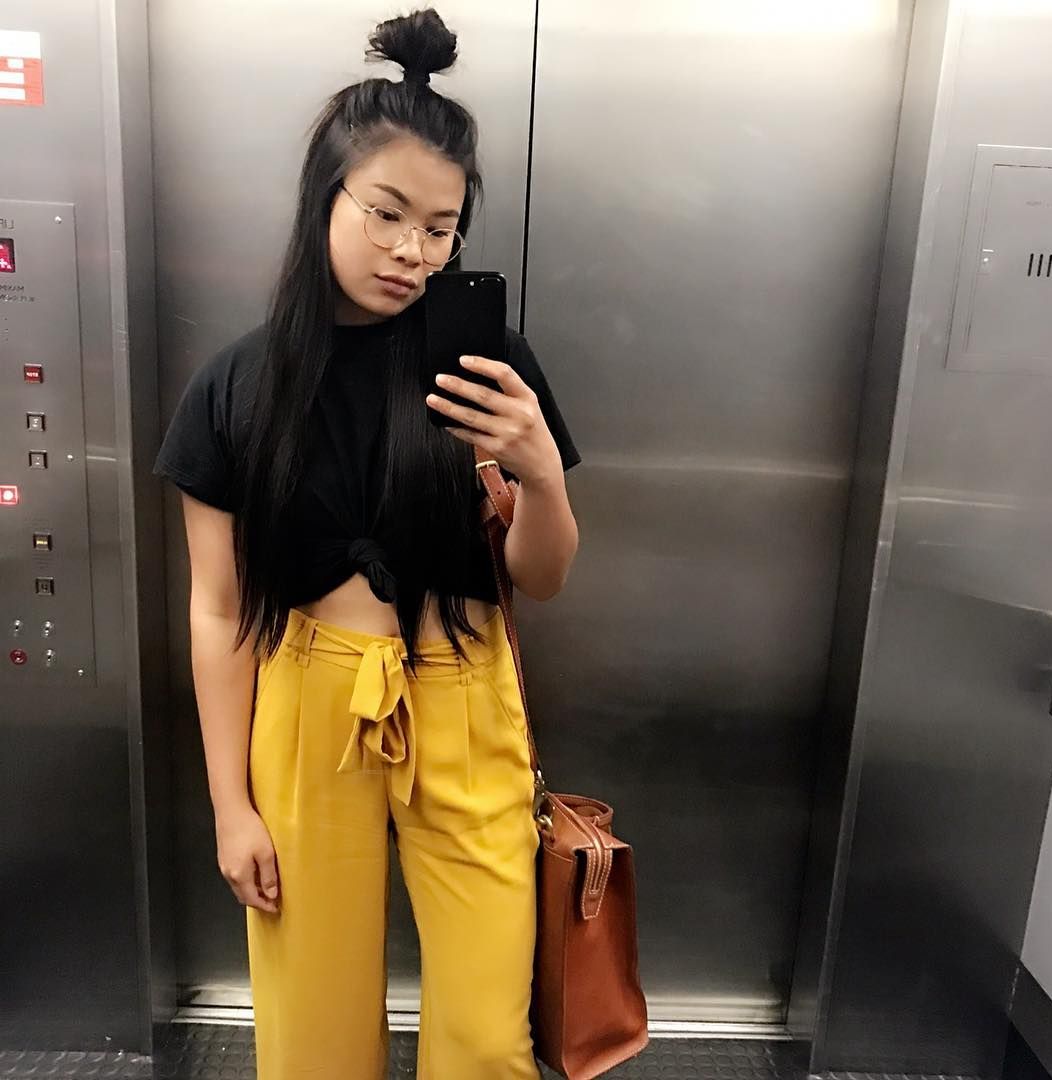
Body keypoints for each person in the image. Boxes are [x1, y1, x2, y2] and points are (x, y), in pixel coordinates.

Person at [151, 9, 581, 1078]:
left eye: (441, 229)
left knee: (486, 1038)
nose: (410, 252)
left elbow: (542, 576)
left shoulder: (487, 366)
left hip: (463, 691)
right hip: (306, 701)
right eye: (385, 214)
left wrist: (540, 471)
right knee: (311, 1032)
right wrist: (230, 806)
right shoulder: (237, 386)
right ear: (325, 200)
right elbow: (217, 607)